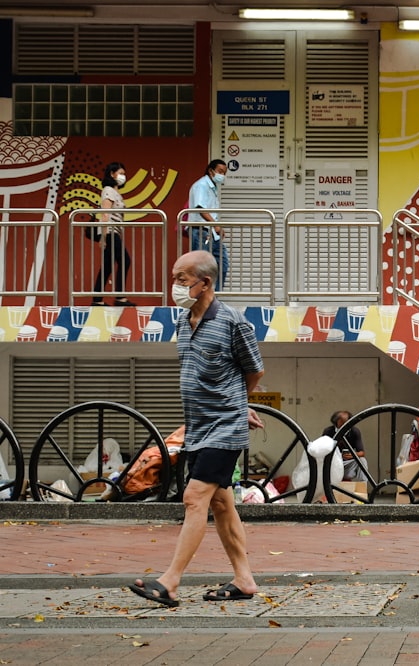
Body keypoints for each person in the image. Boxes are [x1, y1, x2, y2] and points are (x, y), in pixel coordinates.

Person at [129, 250, 264, 608]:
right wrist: (239, 403)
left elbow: (255, 371)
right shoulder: (182, 322)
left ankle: (169, 582)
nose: (175, 285)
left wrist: (237, 405)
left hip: (224, 429)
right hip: (199, 428)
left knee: (194, 498)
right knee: (222, 503)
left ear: (205, 283)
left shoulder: (234, 323)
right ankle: (244, 579)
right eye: (174, 277)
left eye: (182, 278)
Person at [92, 162, 136, 307]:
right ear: (112, 173)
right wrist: (104, 237)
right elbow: (105, 213)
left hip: (113, 231)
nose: (123, 176)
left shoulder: (115, 192)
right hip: (109, 231)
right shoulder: (108, 190)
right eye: (121, 173)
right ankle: (119, 297)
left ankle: (97, 299)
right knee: (125, 260)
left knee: (107, 266)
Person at [187, 159, 230, 290]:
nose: (222, 175)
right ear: (211, 171)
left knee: (222, 264)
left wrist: (217, 227)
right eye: (220, 171)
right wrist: (215, 225)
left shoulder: (212, 187)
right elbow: (201, 208)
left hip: (211, 233)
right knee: (201, 268)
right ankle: (200, 298)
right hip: (201, 231)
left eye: (224, 173)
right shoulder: (202, 185)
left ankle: (214, 297)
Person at [323, 410, 368, 481]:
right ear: (336, 422)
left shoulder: (354, 431)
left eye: (347, 422)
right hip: (333, 464)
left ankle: (362, 485)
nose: (345, 424)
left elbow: (362, 453)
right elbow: (322, 451)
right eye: (342, 422)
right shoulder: (328, 431)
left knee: (362, 460)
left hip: (347, 464)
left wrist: (353, 455)